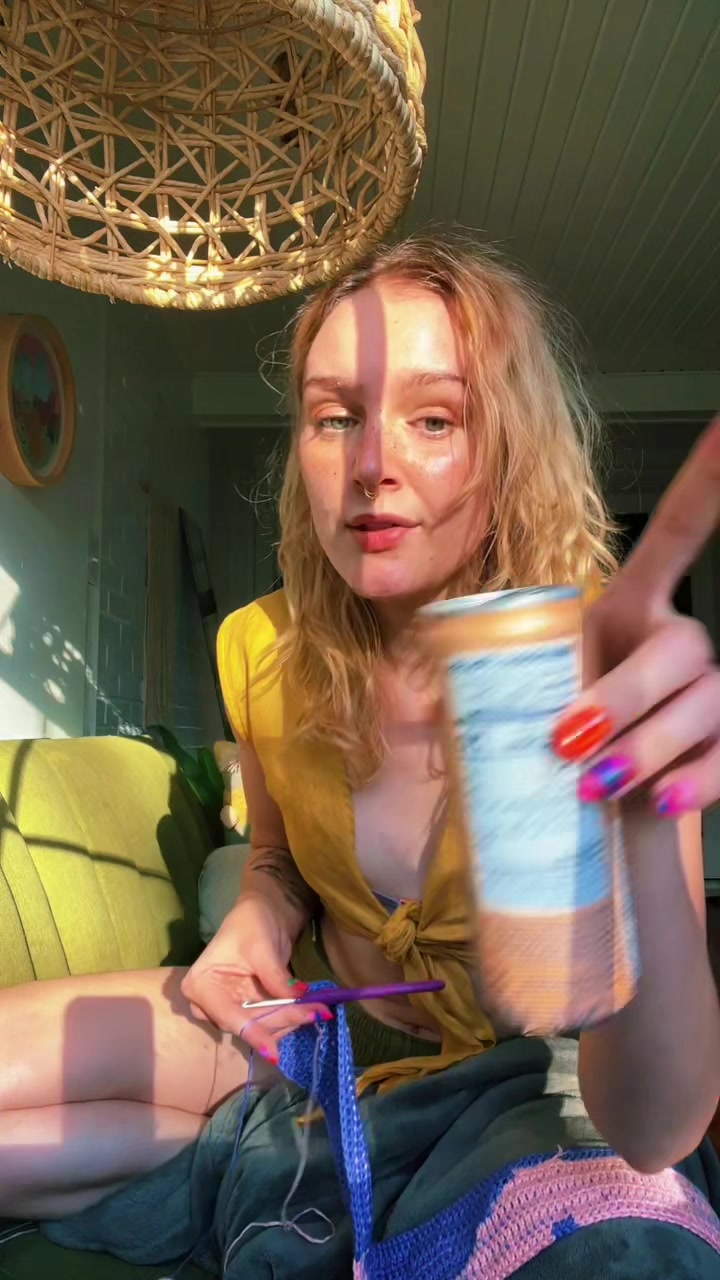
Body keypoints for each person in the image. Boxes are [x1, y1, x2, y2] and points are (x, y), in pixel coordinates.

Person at [1, 239, 719, 1273]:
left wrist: (646, 828)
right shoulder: (259, 647)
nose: (372, 461)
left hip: (522, 1079)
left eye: (436, 419)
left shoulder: (602, 665)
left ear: (510, 449)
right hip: (313, 1032)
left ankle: (275, 1172)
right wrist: (258, 911)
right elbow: (278, 856)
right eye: (335, 416)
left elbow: (656, 1129)